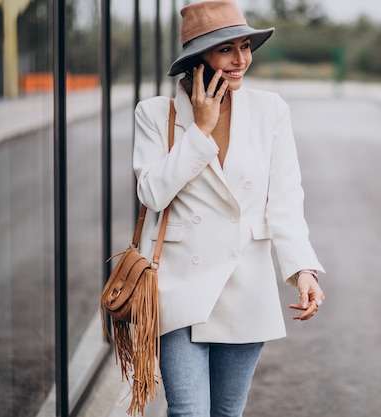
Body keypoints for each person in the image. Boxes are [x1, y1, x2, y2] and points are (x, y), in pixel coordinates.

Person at [132, 1, 325, 416]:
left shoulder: (270, 110)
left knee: (226, 413)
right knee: (187, 411)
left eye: (246, 47)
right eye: (226, 50)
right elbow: (151, 193)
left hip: (244, 282)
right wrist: (200, 130)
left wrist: (302, 269)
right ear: (198, 58)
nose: (241, 60)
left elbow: (286, 199)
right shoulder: (155, 114)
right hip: (177, 283)